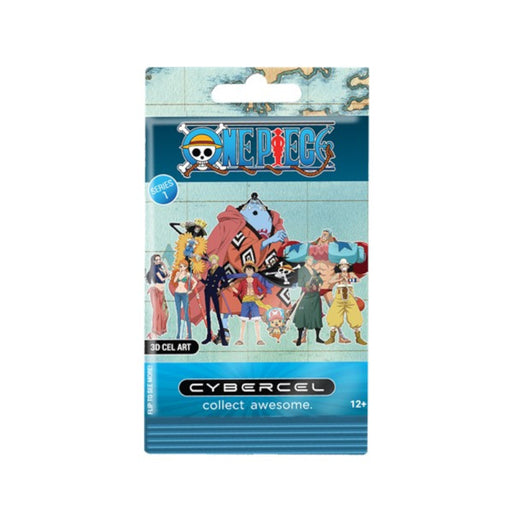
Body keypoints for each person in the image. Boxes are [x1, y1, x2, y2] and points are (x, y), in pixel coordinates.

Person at [325, 259, 367, 345]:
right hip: (339, 296)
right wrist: (339, 280)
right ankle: (332, 337)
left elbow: (358, 280)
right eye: (342, 265)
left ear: (348, 266)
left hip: (349, 296)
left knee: (354, 315)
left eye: (345, 265)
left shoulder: (350, 274)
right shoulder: (338, 274)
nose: (344, 266)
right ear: (339, 267)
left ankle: (358, 338)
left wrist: (348, 279)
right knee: (334, 315)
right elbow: (330, 281)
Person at [230, 261, 270, 346]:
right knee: (243, 320)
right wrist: (233, 287)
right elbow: (238, 292)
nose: (249, 271)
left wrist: (260, 296)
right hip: (245, 301)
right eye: (247, 270)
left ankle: (259, 339)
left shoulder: (256, 280)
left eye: (251, 270)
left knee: (256, 320)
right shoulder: (242, 282)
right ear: (245, 271)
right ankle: (240, 339)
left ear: (253, 271)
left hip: (254, 301)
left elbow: (264, 289)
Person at [293, 256, 325, 346]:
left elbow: (320, 280)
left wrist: (319, 284)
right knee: (302, 315)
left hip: (315, 296)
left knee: (316, 315)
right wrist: (307, 285)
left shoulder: (314, 271)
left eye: (312, 260)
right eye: (310, 260)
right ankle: (300, 338)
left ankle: (317, 337)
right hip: (306, 295)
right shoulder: (302, 270)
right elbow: (300, 283)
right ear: (306, 261)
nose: (312, 262)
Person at [200, 254, 229, 346]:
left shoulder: (220, 269)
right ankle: (209, 336)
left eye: (214, 259)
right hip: (207, 291)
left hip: (214, 291)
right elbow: (207, 282)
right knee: (208, 314)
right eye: (211, 260)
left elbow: (226, 282)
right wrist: (201, 279)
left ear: (217, 260)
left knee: (218, 314)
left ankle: (223, 338)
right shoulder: (209, 270)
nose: (212, 261)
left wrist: (219, 288)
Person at [145, 254, 170, 340]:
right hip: (155, 292)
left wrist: (164, 265)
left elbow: (167, 274)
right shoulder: (155, 269)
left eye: (160, 259)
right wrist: (167, 276)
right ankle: (153, 332)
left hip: (161, 292)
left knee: (165, 312)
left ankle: (158, 331)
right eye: (157, 260)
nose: (159, 261)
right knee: (157, 312)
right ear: (153, 261)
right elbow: (162, 279)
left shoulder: (160, 268)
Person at [173, 261, 197, 339]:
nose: (181, 268)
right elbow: (174, 281)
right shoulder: (177, 273)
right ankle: (178, 334)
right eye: (180, 266)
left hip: (184, 294)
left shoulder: (188, 274)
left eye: (183, 266)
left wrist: (191, 290)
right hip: (177, 293)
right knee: (178, 314)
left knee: (186, 314)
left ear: (186, 267)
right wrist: (178, 274)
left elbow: (195, 282)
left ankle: (189, 334)